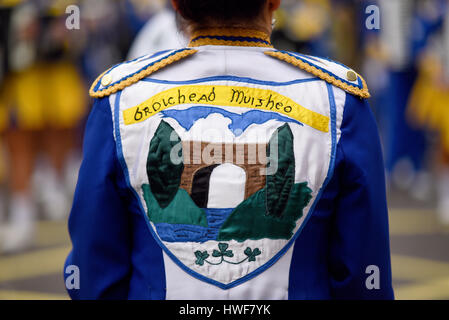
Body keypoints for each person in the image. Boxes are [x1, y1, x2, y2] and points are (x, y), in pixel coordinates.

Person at [65, 0, 394, 299]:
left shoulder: (120, 98)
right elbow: (364, 272)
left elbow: (94, 273)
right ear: (274, 2)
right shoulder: (340, 102)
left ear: (177, 6)